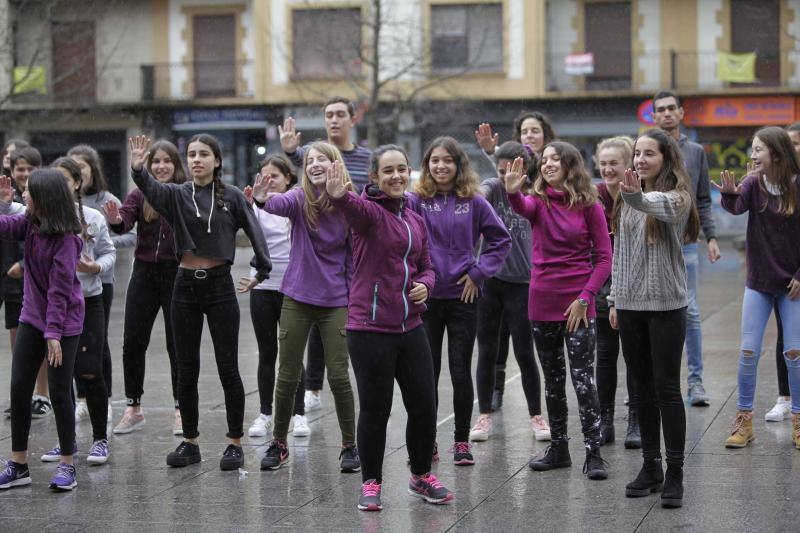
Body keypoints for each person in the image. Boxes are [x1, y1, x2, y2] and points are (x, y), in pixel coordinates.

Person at [129, 134, 271, 471]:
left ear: (217, 161)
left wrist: (259, 271)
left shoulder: (233, 196)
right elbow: (149, 187)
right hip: (185, 286)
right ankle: (190, 441)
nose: (196, 160)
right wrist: (138, 168)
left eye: (204, 154)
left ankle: (234, 442)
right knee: (186, 367)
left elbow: (255, 232)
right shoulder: (177, 195)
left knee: (227, 367)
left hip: (220, 286)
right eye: (191, 154)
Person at [327, 144, 454, 510]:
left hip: (410, 325)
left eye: (402, 169)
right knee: (375, 409)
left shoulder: (414, 218)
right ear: (375, 178)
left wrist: (425, 285)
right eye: (388, 171)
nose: (396, 176)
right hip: (369, 329)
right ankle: (371, 482)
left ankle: (420, 476)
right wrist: (340, 196)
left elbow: (428, 266)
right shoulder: (368, 214)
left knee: (425, 405)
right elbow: (353, 208)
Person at [505, 141, 611, 480]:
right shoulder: (537, 202)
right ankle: (560, 449)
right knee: (553, 380)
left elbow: (605, 259)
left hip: (579, 305)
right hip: (542, 303)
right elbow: (520, 205)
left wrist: (585, 298)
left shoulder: (590, 205)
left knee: (583, 381)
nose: (548, 163)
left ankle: (594, 453)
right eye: (545, 159)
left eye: (555, 159)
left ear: (570, 165)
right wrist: (511, 192)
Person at [252, 141, 358, 473]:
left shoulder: (350, 205)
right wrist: (261, 199)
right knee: (286, 375)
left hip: (335, 300)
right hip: (297, 297)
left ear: (335, 164)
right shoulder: (300, 199)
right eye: (310, 160)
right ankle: (279, 443)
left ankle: (350, 447)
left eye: (322, 159)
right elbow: (277, 205)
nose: (314, 164)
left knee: (339, 376)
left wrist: (353, 296)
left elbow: (355, 256)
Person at [610, 128, 700, 509]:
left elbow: (658, 205)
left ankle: (675, 471)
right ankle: (651, 467)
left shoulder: (676, 197)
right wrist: (614, 299)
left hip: (666, 305)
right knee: (639, 390)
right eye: (638, 153)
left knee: (665, 388)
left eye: (649, 154)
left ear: (666, 158)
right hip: (630, 307)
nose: (641, 160)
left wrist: (635, 195)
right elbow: (620, 252)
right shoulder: (627, 197)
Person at [407, 136, 511, 466]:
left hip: (463, 299)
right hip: (424, 300)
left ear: (458, 165)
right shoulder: (415, 201)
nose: (441, 166)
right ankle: (426, 443)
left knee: (459, 371)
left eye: (447, 160)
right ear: (426, 166)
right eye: (434, 160)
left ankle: (461, 441)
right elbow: (398, 235)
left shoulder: (475, 201)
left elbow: (500, 241)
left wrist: (479, 274)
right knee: (425, 374)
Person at [279, 96, 372, 412]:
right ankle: (313, 388)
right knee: (314, 321)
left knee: (341, 327)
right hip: (315, 250)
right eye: (328, 115)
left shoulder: (365, 159)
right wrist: (292, 151)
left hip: (352, 246)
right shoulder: (311, 156)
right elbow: (301, 176)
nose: (333, 120)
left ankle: (346, 387)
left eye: (339, 115)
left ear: (352, 119)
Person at [716, 126, 800, 451]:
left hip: (791, 285)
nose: (752, 156)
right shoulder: (753, 183)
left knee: (794, 353)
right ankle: (744, 422)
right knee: (748, 352)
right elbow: (735, 208)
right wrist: (728, 193)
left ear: (776, 154)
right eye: (752, 149)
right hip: (759, 283)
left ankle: (797, 419)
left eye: (758, 150)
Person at [0, 169, 84, 492]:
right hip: (32, 317)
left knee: (61, 392)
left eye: (29, 193)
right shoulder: (31, 224)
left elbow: (61, 293)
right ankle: (19, 464)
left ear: (44, 199)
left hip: (63, 324)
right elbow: (6, 226)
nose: (24, 196)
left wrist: (53, 334)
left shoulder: (67, 240)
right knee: (19, 387)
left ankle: (67, 465)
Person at [475, 111, 557, 409]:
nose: (529, 135)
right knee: (492, 344)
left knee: (525, 349)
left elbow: (518, 171)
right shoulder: (495, 184)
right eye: (525, 130)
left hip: (525, 280)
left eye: (535, 130)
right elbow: (492, 180)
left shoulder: (538, 188)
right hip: (493, 279)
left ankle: (537, 411)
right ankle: (492, 395)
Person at [104, 140, 185, 436]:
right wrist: (115, 221)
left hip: (177, 273)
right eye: (156, 162)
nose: (161, 166)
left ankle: (181, 409)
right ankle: (133, 408)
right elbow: (124, 221)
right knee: (133, 341)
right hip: (144, 273)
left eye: (167, 161)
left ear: (176, 165)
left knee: (177, 344)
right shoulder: (139, 194)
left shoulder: (185, 192)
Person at [652, 91, 720, 406]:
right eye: (660, 110)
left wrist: (713, 237)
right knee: (647, 311)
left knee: (690, 312)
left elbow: (703, 199)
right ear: (654, 116)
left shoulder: (695, 152)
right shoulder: (646, 151)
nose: (666, 114)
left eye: (671, 109)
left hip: (687, 243)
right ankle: (648, 383)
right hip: (650, 242)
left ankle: (695, 383)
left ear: (681, 112)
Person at [242, 155, 309, 439]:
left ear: (289, 179)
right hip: (262, 288)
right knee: (267, 352)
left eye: (275, 177)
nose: (268, 182)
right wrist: (248, 205)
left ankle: (299, 414)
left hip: (293, 288)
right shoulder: (255, 208)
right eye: (264, 176)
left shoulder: (298, 205)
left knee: (292, 354)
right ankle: (265, 413)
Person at [67, 144, 135, 423]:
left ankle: (102, 398)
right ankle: (80, 398)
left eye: (81, 167)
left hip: (100, 282)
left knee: (97, 341)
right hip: (69, 284)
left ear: (91, 171)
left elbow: (130, 236)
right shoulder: (60, 203)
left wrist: (99, 245)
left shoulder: (107, 200)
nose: (75, 173)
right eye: (71, 168)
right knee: (71, 339)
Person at [593, 136, 641, 449]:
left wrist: (621, 295)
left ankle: (636, 419)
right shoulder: (593, 197)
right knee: (606, 355)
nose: (609, 169)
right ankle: (606, 419)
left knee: (635, 356)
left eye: (615, 163)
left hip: (634, 287)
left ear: (627, 166)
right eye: (604, 163)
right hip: (601, 286)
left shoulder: (636, 196)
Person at [4, 147, 52, 419]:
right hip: (10, 278)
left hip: (34, 277)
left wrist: (23, 265)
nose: (24, 173)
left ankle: (42, 395)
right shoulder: (8, 197)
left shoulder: (45, 199)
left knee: (42, 335)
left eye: (30, 168)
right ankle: (22, 393)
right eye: (19, 168)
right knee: (18, 338)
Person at [765, 122, 800, 422]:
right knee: (787, 338)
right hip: (785, 277)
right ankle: (785, 397)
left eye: (797, 143)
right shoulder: (775, 184)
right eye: (789, 143)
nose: (793, 149)